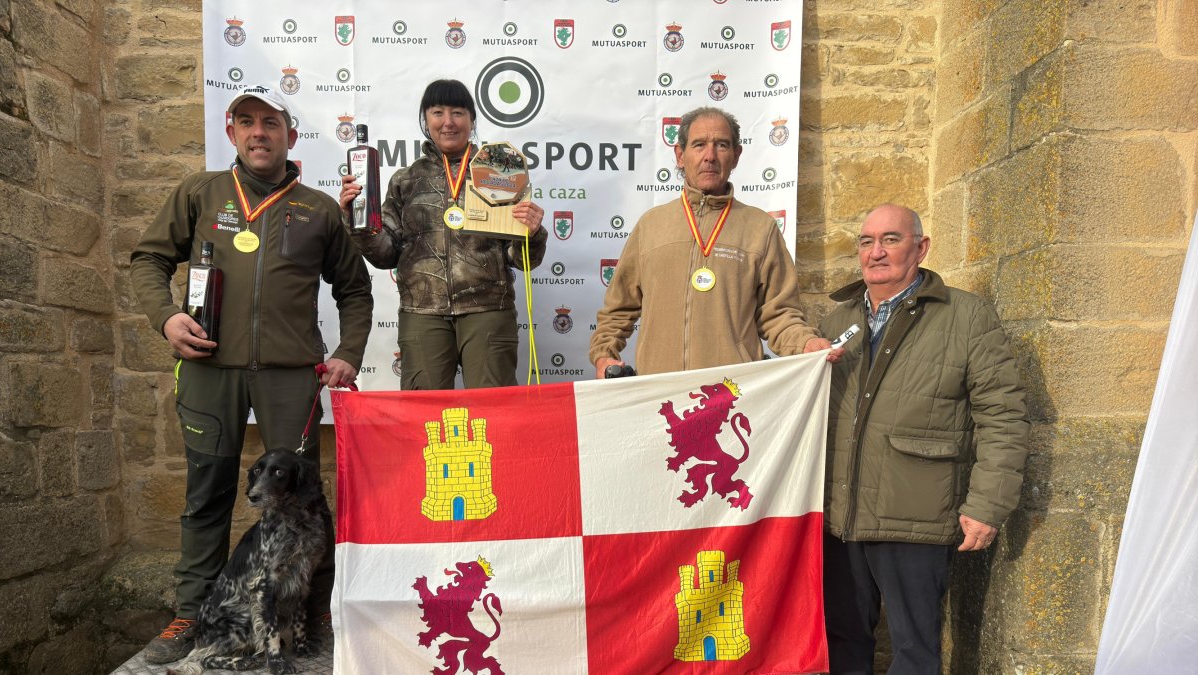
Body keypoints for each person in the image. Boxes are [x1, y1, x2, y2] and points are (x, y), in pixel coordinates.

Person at [129, 84, 374, 664]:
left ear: (291, 135)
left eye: (271, 122)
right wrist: (165, 318)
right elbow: (149, 259)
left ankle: (315, 612)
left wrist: (349, 353)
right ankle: (192, 613)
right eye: (247, 122)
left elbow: (356, 291)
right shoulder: (200, 193)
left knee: (305, 503)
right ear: (231, 131)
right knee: (206, 494)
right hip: (209, 366)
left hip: (291, 377)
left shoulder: (317, 209)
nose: (258, 132)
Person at [819, 203, 1029, 674]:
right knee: (841, 645)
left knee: (915, 651)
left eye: (891, 239)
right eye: (866, 241)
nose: (876, 252)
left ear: (921, 247)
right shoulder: (835, 323)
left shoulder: (967, 315)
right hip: (839, 516)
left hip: (915, 513)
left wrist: (988, 504)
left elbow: (1004, 414)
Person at [589, 106, 837, 377]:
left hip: (730, 397)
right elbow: (618, 309)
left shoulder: (760, 228)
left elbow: (779, 314)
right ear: (680, 155)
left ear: (736, 156)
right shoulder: (650, 225)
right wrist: (604, 355)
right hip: (658, 393)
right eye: (699, 145)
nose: (710, 156)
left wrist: (805, 342)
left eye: (721, 145)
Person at [339, 79, 547, 390]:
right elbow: (387, 255)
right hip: (423, 314)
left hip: (488, 311)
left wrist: (532, 233)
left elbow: (520, 259)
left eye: (458, 113)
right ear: (426, 120)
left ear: (472, 119)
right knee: (424, 420)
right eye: (437, 112)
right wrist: (357, 220)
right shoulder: (406, 180)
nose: (447, 122)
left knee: (493, 417)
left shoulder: (499, 171)